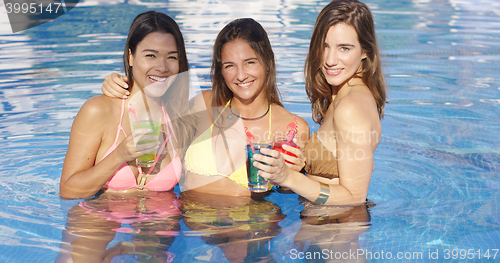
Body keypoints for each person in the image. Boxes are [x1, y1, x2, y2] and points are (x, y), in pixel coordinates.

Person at [102, 18, 310, 197]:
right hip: (189, 233)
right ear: (220, 71)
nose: (241, 75)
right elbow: (156, 109)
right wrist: (124, 82)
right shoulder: (204, 105)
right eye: (229, 66)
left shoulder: (293, 128)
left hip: (250, 228)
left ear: (267, 62)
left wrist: (295, 177)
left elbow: (288, 195)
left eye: (249, 62)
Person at [254, 0, 387, 205]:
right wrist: (300, 168)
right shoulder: (344, 95)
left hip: (333, 230)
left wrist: (289, 177)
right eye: (325, 46)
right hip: (326, 227)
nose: (330, 60)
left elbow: (354, 198)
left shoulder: (350, 108)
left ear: (365, 51)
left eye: (344, 48)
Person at [59, 11, 195, 199]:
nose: (163, 67)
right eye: (151, 55)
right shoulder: (99, 111)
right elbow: (67, 191)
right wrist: (119, 155)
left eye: (171, 57)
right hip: (102, 220)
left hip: (161, 222)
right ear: (130, 57)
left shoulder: (179, 115)